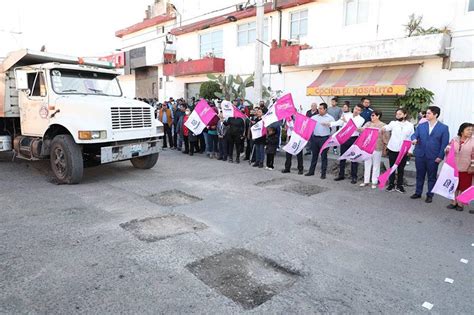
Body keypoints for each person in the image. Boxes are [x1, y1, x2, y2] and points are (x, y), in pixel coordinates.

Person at [410, 106, 450, 203]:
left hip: (433, 156)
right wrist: (414, 139)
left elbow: (444, 144)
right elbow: (414, 134)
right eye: (426, 113)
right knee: (420, 175)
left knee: (431, 177)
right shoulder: (422, 125)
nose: (426, 115)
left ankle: (430, 194)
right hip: (420, 154)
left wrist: (440, 156)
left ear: (435, 115)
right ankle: (418, 192)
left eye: (429, 113)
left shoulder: (443, 128)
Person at [327, 103, 365, 184]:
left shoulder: (361, 119)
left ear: (361, 111)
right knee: (342, 156)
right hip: (344, 137)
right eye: (355, 109)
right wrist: (329, 124)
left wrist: (346, 121)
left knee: (353, 158)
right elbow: (339, 122)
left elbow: (354, 127)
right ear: (353, 108)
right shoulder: (347, 115)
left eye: (358, 110)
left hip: (353, 139)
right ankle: (341, 175)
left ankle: (354, 177)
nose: (356, 111)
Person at [382, 108, 414, 193]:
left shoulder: (410, 125)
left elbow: (412, 138)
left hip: (403, 150)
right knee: (392, 167)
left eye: (400, 114)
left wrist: (410, 150)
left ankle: (400, 185)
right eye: (397, 114)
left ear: (405, 115)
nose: (398, 115)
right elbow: (386, 127)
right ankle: (391, 184)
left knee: (401, 168)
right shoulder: (393, 123)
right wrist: (382, 128)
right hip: (393, 148)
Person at [446, 123, 473, 212]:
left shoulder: (473, 141)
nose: (471, 132)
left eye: (472, 130)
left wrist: (472, 167)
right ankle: (453, 202)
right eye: (468, 130)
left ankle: (460, 203)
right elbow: (448, 150)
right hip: (454, 167)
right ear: (462, 131)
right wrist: (447, 149)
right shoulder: (454, 139)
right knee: (454, 185)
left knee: (464, 186)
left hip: (466, 167)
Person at [359, 110, 389, 189]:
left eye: (373, 115)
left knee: (376, 165)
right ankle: (366, 181)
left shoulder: (383, 126)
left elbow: (385, 137)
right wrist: (356, 128)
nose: (371, 117)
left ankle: (374, 182)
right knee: (367, 163)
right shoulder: (368, 124)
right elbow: (362, 129)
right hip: (367, 147)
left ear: (378, 116)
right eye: (371, 115)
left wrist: (385, 148)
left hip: (377, 147)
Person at [305, 103, 335, 179]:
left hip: (324, 139)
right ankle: (311, 171)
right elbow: (309, 126)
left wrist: (330, 138)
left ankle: (323, 174)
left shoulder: (330, 118)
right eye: (319, 108)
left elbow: (334, 129)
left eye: (321, 108)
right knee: (314, 156)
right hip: (315, 138)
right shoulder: (314, 117)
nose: (319, 110)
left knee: (324, 157)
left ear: (325, 109)